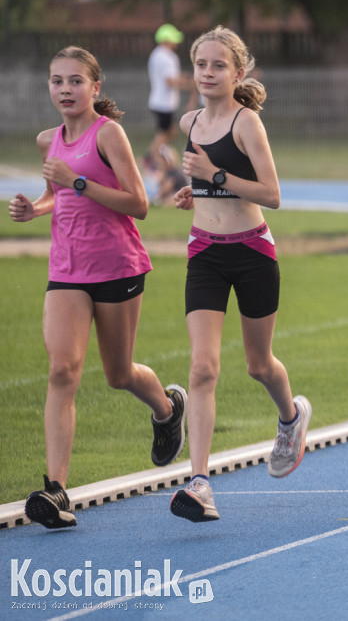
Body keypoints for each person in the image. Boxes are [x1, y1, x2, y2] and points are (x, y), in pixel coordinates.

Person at [8, 46, 188, 529]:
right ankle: (56, 491)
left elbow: (139, 204)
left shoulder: (109, 134)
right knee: (62, 370)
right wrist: (36, 209)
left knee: (118, 374)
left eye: (74, 81)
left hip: (117, 268)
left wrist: (79, 181)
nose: (64, 90)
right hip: (66, 270)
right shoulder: (49, 139)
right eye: (56, 81)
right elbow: (55, 193)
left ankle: (168, 409)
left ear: (95, 88)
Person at [170, 26, 311, 523]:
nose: (207, 73)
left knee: (258, 365)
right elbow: (211, 186)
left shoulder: (246, 122)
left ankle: (291, 418)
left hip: (252, 252)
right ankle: (201, 484)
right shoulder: (188, 122)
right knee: (203, 368)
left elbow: (271, 193)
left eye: (218, 66)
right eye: (201, 65)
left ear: (238, 73)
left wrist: (213, 176)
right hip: (204, 253)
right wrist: (196, 193)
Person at [146, 23, 193, 195]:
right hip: (164, 103)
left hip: (160, 101)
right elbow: (170, 81)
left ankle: (157, 158)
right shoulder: (167, 57)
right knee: (162, 136)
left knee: (169, 133)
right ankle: (151, 158)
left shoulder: (156, 55)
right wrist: (190, 85)